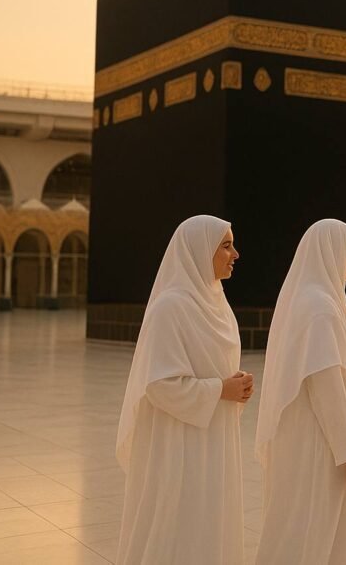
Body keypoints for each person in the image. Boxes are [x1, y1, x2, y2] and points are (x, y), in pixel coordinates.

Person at [116, 215, 251, 564]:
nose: (235, 254)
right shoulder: (171, 307)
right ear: (198, 250)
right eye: (225, 245)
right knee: (180, 523)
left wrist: (235, 383)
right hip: (180, 444)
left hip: (215, 438)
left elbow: (212, 366)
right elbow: (159, 384)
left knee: (210, 523)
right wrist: (221, 389)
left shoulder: (218, 304)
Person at [255, 219, 346, 564]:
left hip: (321, 443)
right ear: (333, 251)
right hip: (318, 447)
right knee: (307, 534)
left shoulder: (321, 300)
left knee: (320, 533)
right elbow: (326, 388)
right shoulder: (319, 307)